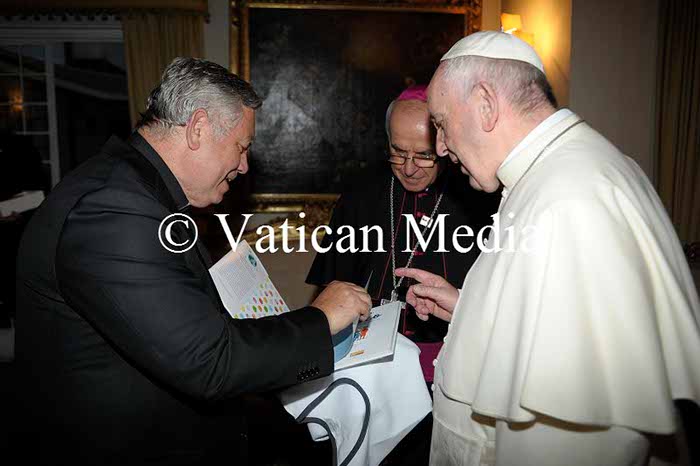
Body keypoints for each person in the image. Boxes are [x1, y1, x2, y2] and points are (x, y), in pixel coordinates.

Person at [14, 57, 370, 466]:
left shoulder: (138, 190)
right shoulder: (114, 210)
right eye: (241, 147)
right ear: (198, 127)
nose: (244, 166)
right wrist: (320, 319)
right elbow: (209, 362)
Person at [396, 31, 700, 466]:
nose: (440, 147)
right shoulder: (557, 173)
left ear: (485, 104)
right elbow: (546, 320)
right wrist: (467, 308)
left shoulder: (569, 197)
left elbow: (576, 438)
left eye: (441, 124)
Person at [306, 85, 498, 465]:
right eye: (398, 152)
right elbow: (331, 285)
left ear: (445, 143)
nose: (409, 168)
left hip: (457, 368)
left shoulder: (481, 197)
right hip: (373, 368)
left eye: (424, 155)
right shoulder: (362, 193)